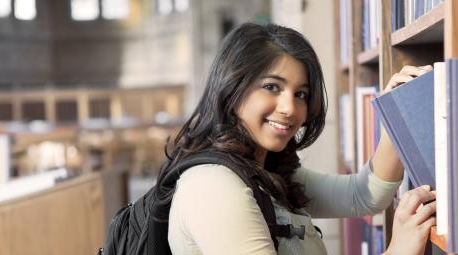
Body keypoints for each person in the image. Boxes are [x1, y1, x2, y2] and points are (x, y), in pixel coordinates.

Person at [158, 23, 436, 255]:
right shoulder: (212, 185)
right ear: (232, 88)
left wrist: (396, 115)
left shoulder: (268, 173)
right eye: (271, 87)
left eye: (300, 94)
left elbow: (361, 196)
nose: (289, 108)